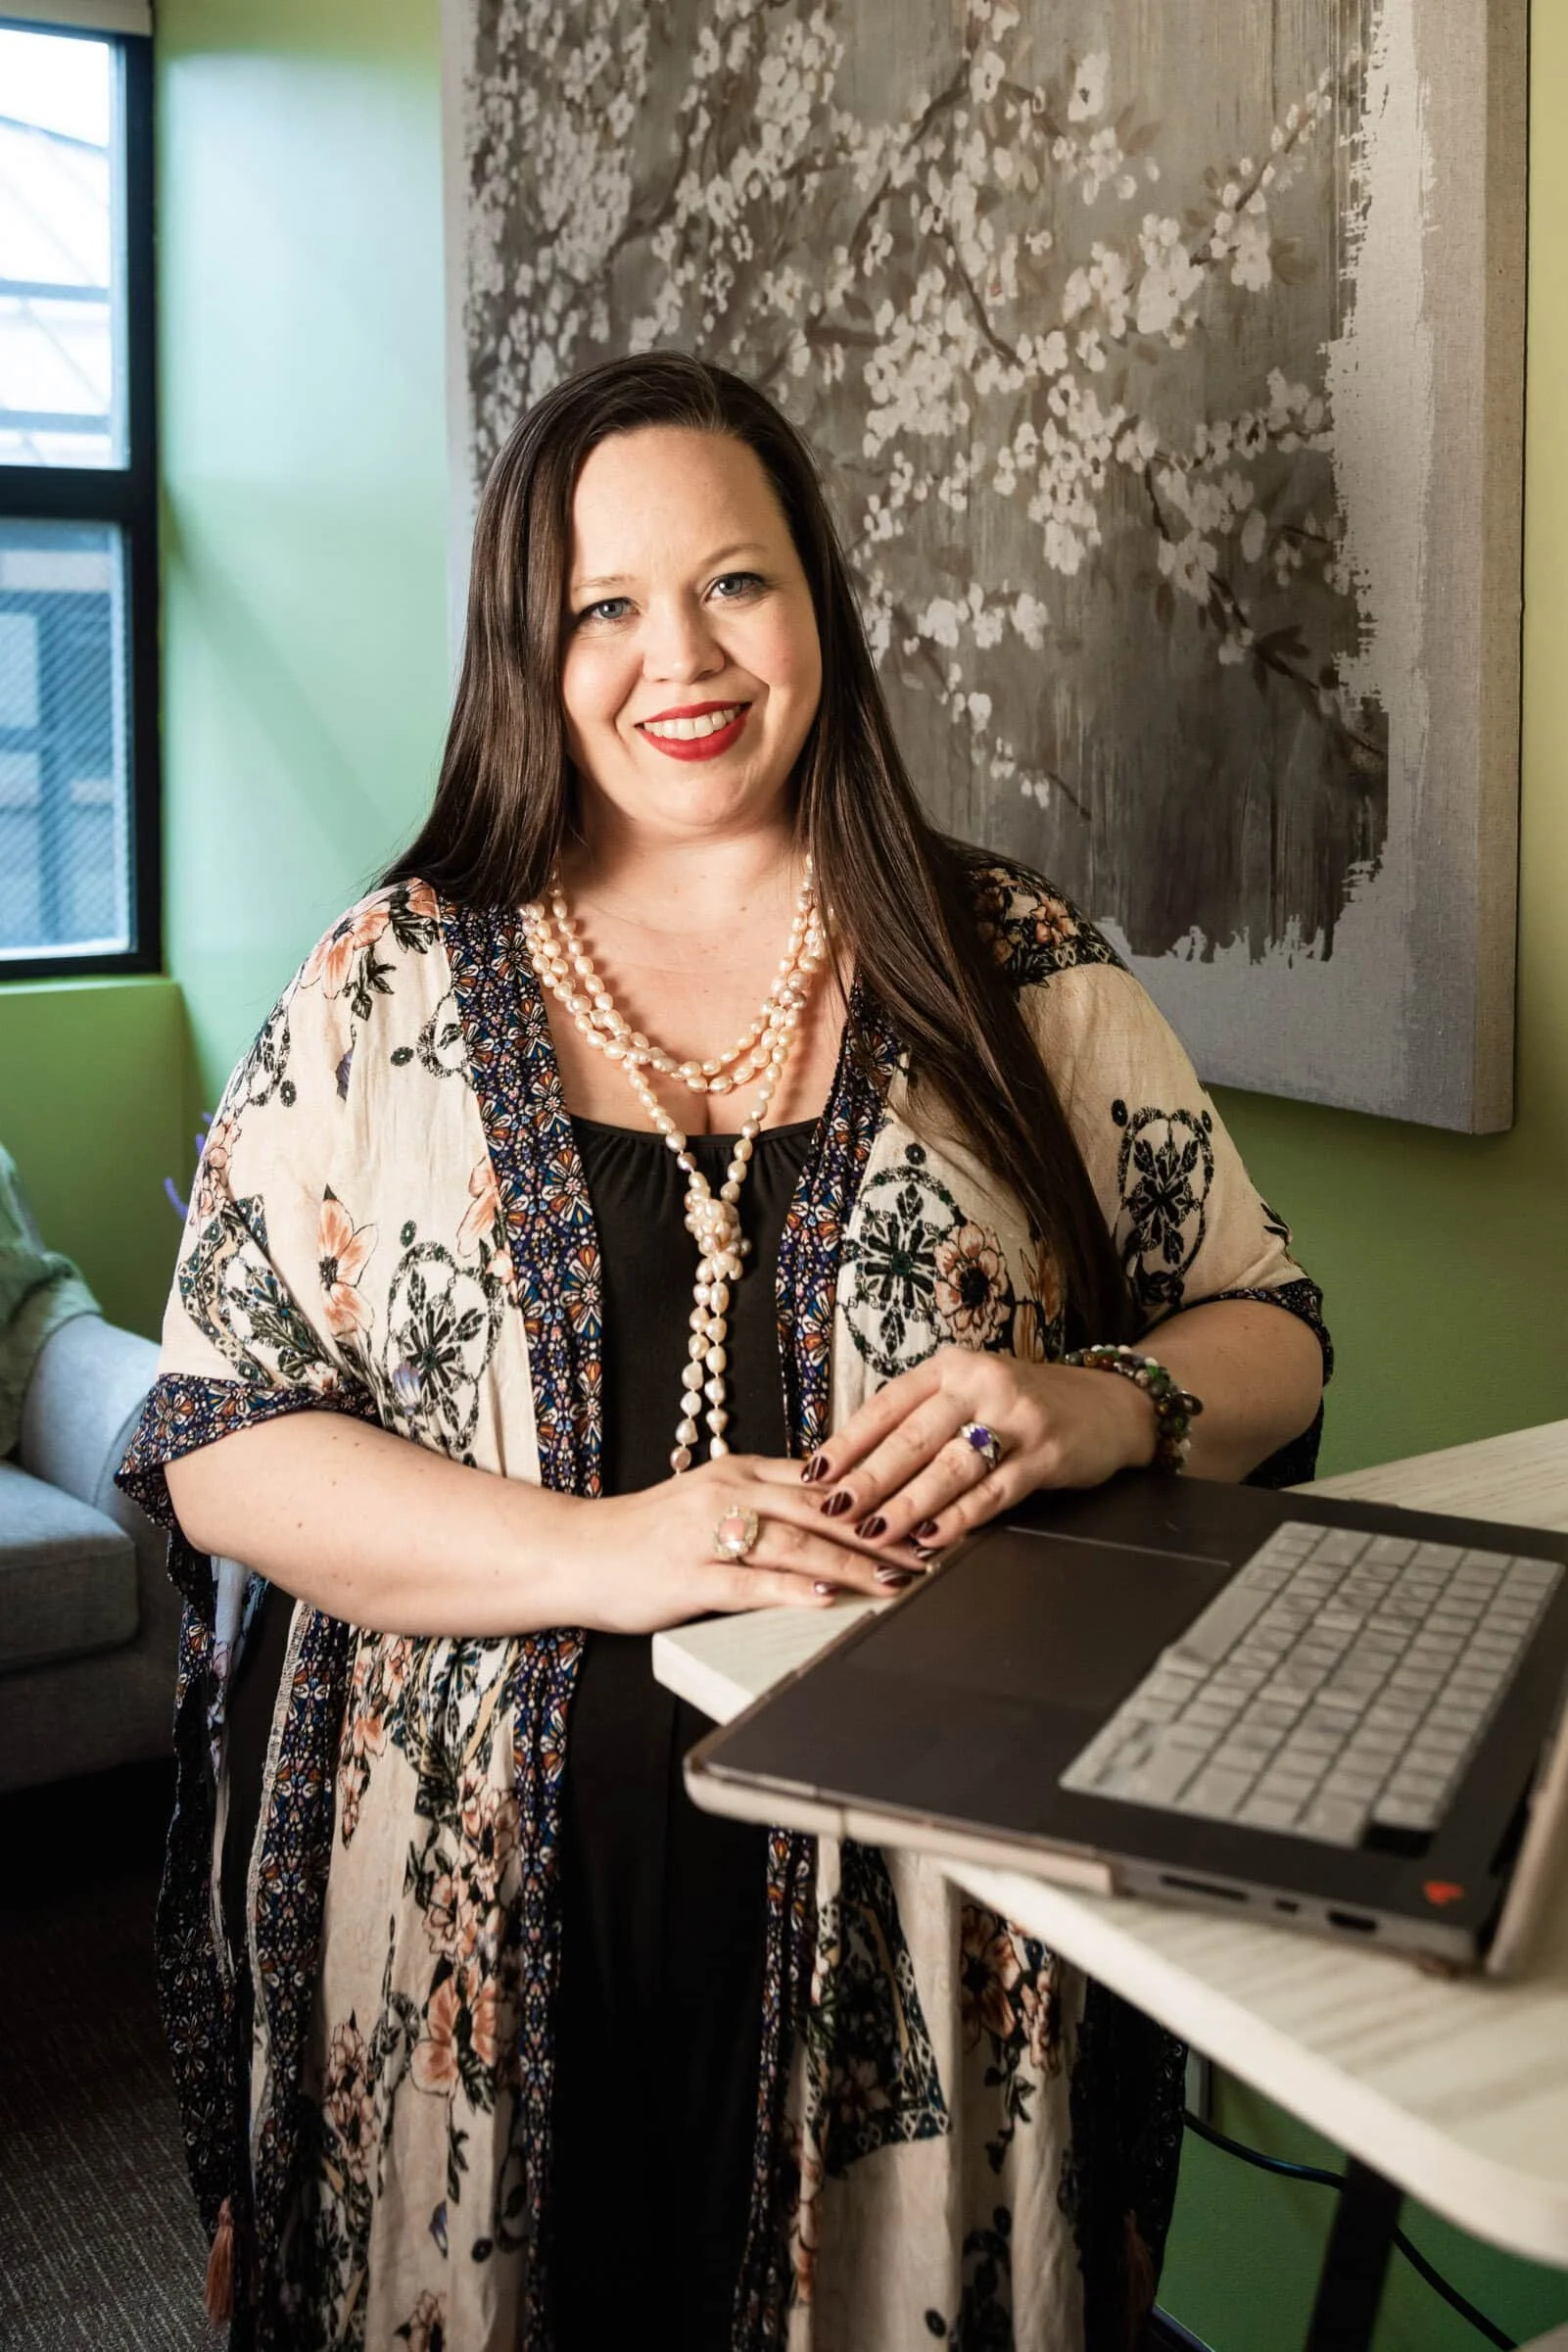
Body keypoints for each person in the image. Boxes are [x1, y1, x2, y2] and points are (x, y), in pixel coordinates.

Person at [120, 352, 1328, 2352]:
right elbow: (221, 1436)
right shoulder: (379, 985)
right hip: (451, 1944)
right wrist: (618, 1551)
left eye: (732, 584)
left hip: (931, 1927)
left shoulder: (1008, 959)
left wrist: (1102, 1401)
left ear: (814, 603)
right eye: (601, 604)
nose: (676, 657)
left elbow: (1267, 1328)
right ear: (529, 647)